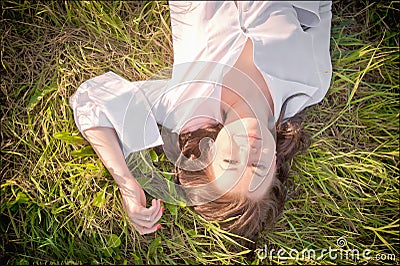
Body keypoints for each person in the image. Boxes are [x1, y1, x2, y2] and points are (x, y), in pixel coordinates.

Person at [69, 1, 332, 241]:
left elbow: (92, 100)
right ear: (274, 163)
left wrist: (127, 183)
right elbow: (320, 10)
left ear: (208, 151)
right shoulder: (311, 84)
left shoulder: (186, 107)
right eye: (257, 166)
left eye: (231, 161)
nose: (249, 150)